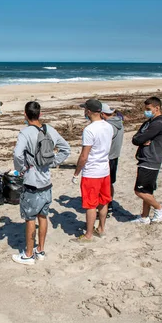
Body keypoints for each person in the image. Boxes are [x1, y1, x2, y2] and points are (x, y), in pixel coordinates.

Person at [11, 101, 71, 264]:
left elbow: (17, 154)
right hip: (47, 182)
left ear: (25, 114)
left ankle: (29, 254)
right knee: (43, 216)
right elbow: (66, 149)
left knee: (30, 218)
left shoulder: (25, 133)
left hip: (32, 182)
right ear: (40, 114)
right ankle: (40, 250)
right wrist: (53, 162)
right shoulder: (49, 129)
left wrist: (21, 169)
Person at [72, 99, 113, 242]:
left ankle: (88, 234)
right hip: (104, 170)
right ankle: (101, 228)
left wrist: (76, 173)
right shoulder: (108, 126)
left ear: (88, 111)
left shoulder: (89, 130)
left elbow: (84, 155)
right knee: (103, 201)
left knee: (90, 204)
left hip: (92, 172)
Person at [130, 97, 162, 224]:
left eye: (148, 109)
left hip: (150, 160)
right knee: (147, 190)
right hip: (144, 158)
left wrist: (141, 139)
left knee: (140, 191)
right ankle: (144, 216)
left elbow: (139, 139)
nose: (146, 111)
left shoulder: (158, 124)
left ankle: (160, 208)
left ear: (157, 108)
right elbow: (136, 138)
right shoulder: (149, 122)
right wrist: (140, 139)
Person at [101, 103, 124, 208]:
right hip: (114, 156)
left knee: (104, 184)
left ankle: (105, 206)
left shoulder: (108, 126)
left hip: (108, 158)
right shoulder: (118, 122)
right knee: (110, 183)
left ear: (102, 114)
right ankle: (109, 204)